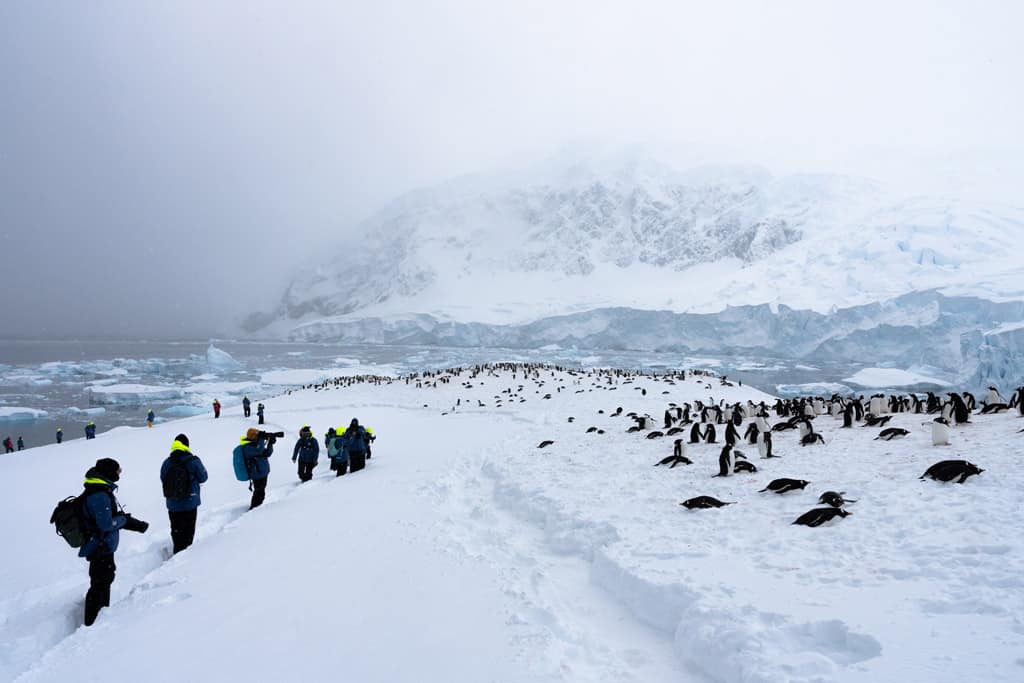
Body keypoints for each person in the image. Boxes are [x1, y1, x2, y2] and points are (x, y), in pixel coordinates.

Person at [78, 458, 149, 626]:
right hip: (99, 546)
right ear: (109, 472)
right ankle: (93, 624)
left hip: (100, 545)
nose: (120, 473)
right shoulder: (99, 495)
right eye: (118, 470)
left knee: (102, 581)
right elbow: (106, 524)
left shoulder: (99, 489)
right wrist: (123, 521)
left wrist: (132, 523)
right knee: (100, 584)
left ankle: (98, 618)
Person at [160, 433, 208, 554]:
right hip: (190, 503)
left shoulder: (166, 462)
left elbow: (163, 479)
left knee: (176, 530)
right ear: (186, 445)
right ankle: (185, 558)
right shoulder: (193, 460)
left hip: (172, 503)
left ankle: (177, 551)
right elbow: (203, 477)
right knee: (188, 532)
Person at [240, 427, 274, 509]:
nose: (258, 437)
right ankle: (254, 508)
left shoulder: (257, 445)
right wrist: (262, 439)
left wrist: (270, 444)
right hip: (256, 474)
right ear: (252, 436)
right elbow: (259, 450)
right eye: (257, 435)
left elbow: (268, 453)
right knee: (258, 491)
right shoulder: (247, 448)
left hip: (263, 472)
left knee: (262, 491)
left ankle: (258, 507)